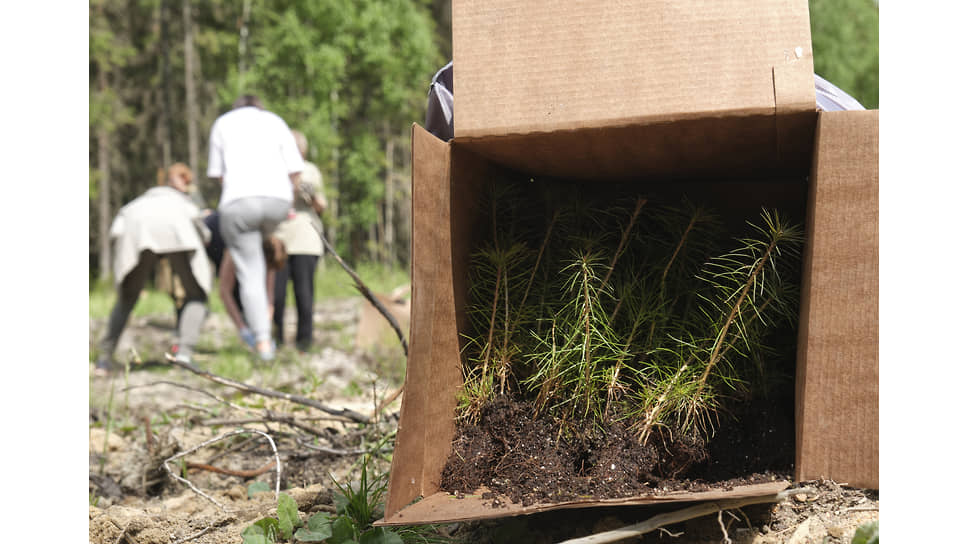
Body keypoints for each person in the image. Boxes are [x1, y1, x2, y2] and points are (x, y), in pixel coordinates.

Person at [207, 94, 304, 361]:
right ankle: (268, 319)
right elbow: (296, 171)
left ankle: (262, 342)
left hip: (239, 204)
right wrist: (289, 203)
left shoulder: (223, 123)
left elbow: (218, 174)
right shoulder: (276, 121)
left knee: (250, 270)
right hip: (278, 202)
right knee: (264, 259)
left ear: (236, 107)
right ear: (259, 107)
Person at [96, 163, 212, 371]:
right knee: (196, 295)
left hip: (138, 235)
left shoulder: (133, 206)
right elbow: (202, 231)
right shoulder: (183, 203)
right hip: (179, 238)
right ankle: (184, 354)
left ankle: (104, 356)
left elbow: (115, 232)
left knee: (127, 298)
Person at [273, 129, 327, 352]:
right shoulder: (274, 170)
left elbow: (321, 206)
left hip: (305, 239)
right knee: (276, 296)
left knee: (304, 295)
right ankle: (274, 341)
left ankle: (305, 343)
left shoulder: (311, 171)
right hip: (279, 239)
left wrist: (311, 195)